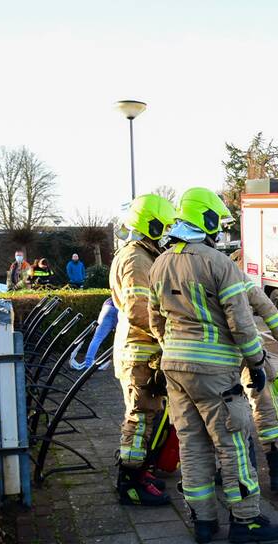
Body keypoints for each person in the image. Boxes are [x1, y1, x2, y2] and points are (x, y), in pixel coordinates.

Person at [148, 187, 278, 544]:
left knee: (191, 443)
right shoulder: (217, 262)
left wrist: (172, 352)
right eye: (216, 221)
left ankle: (203, 521)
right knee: (232, 441)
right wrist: (256, 361)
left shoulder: (160, 262)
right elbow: (240, 321)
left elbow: (154, 320)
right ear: (205, 219)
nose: (218, 228)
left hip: (174, 367)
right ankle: (246, 520)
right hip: (215, 371)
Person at [111, 194, 176, 506]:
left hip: (143, 351)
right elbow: (141, 310)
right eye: (163, 227)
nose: (167, 233)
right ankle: (130, 483)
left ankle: (141, 471)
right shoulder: (137, 260)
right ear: (149, 225)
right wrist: (170, 334)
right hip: (140, 352)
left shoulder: (142, 254)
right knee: (140, 418)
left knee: (148, 415)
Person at [231, 250, 278, 492]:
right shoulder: (239, 277)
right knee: (266, 409)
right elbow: (266, 306)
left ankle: (234, 472)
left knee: (228, 414)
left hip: (220, 358)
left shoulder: (198, 277)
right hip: (252, 353)